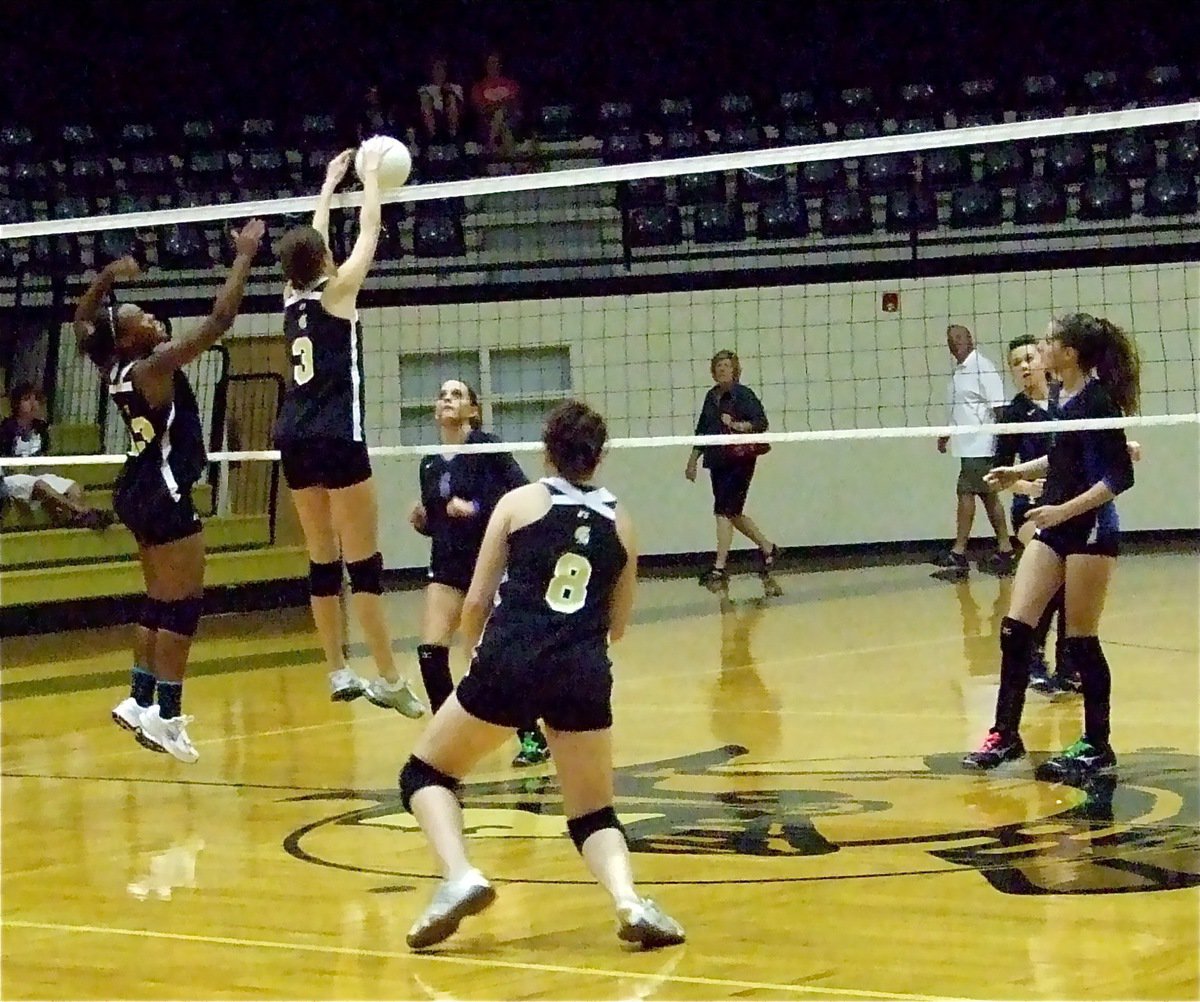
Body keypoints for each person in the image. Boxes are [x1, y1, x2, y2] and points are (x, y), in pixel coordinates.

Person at [399, 400, 685, 951]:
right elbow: (619, 625)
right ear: (599, 457)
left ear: (545, 449)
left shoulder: (519, 503)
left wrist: (473, 658)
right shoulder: (621, 521)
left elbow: (476, 601)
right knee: (593, 811)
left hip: (511, 658)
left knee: (424, 774)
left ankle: (458, 876)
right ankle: (628, 901)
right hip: (582, 669)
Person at [72, 224, 264, 762]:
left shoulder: (113, 366)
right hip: (162, 488)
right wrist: (244, 255)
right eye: (141, 318)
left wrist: (109, 275)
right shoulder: (153, 366)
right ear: (131, 337)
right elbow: (220, 321)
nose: (153, 319)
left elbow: (82, 321)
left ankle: (139, 701)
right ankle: (168, 715)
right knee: (184, 605)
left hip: (135, 486)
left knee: (159, 599)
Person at [274, 146, 424, 717]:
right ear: (323, 262)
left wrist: (326, 185)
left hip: (293, 436)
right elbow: (369, 230)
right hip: (337, 436)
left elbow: (314, 246)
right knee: (363, 564)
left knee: (320, 558)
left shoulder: (291, 298)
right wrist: (367, 184)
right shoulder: (340, 295)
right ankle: (387, 676)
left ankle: (337, 669)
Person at [963, 312, 1140, 782]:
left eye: (1048, 341)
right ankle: (1005, 735)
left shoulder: (1099, 400)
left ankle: (1097, 745)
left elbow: (1119, 477)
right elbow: (1063, 457)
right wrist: (1020, 473)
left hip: (1091, 530)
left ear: (1070, 353)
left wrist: (1062, 511)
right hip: (1056, 524)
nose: (1040, 347)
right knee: (1015, 631)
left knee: (1080, 641)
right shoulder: (1062, 393)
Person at [409, 378, 550, 767]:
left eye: (456, 395)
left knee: (491, 657)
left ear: (473, 410)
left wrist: (477, 508)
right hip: (447, 564)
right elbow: (439, 519)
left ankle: (532, 737)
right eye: (442, 395)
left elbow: (524, 495)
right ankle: (447, 738)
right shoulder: (430, 462)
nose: (447, 400)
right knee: (430, 652)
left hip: (487, 565)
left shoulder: (487, 447)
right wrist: (425, 519)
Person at [685, 350, 777, 590]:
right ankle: (768, 548)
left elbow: (761, 422)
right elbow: (702, 430)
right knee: (732, 512)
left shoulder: (743, 395)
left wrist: (736, 425)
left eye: (726, 365)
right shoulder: (711, 396)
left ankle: (719, 567)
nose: (722, 369)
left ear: (735, 369)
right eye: (718, 366)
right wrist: (693, 459)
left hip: (740, 459)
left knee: (723, 511)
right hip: (717, 460)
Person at [931, 324, 1015, 579]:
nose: (954, 342)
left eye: (959, 337)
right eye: (950, 339)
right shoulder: (961, 371)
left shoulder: (983, 367)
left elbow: (1000, 408)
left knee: (965, 492)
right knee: (988, 497)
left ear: (970, 339)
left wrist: (1004, 446)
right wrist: (947, 434)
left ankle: (958, 553)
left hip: (982, 445)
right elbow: (962, 409)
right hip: (967, 446)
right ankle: (1005, 549)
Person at [0, 382, 114, 530]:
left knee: (73, 486)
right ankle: (80, 510)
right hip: (10, 478)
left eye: (36, 399)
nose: (33, 404)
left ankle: (78, 518)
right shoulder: (5, 430)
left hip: (34, 474)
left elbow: (43, 458)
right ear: (17, 404)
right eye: (27, 399)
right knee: (40, 485)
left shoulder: (41, 429)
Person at [470, 50, 522, 158]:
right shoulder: (478, 87)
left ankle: (491, 144)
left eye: (495, 63)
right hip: (488, 121)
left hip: (510, 118)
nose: (493, 66)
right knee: (503, 126)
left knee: (502, 117)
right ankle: (511, 161)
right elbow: (481, 109)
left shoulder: (510, 84)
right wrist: (498, 108)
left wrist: (501, 108)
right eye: (490, 63)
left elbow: (514, 105)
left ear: (500, 65)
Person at [418, 57, 463, 143]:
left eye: (443, 68)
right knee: (426, 101)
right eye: (437, 68)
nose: (440, 72)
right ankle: (433, 138)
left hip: (450, 118)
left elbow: (462, 107)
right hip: (434, 117)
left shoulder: (455, 88)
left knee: (451, 99)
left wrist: (448, 93)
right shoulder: (425, 89)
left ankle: (452, 135)